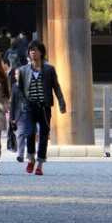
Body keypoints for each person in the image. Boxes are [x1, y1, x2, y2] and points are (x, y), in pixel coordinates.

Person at [18, 40, 66, 176]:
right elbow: (20, 89)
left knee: (44, 136)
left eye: (35, 50)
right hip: (30, 107)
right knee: (30, 133)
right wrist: (23, 102)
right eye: (31, 50)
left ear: (42, 52)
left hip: (44, 107)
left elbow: (56, 87)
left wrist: (61, 103)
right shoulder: (24, 70)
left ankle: (40, 163)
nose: (33, 52)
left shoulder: (49, 69)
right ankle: (31, 157)